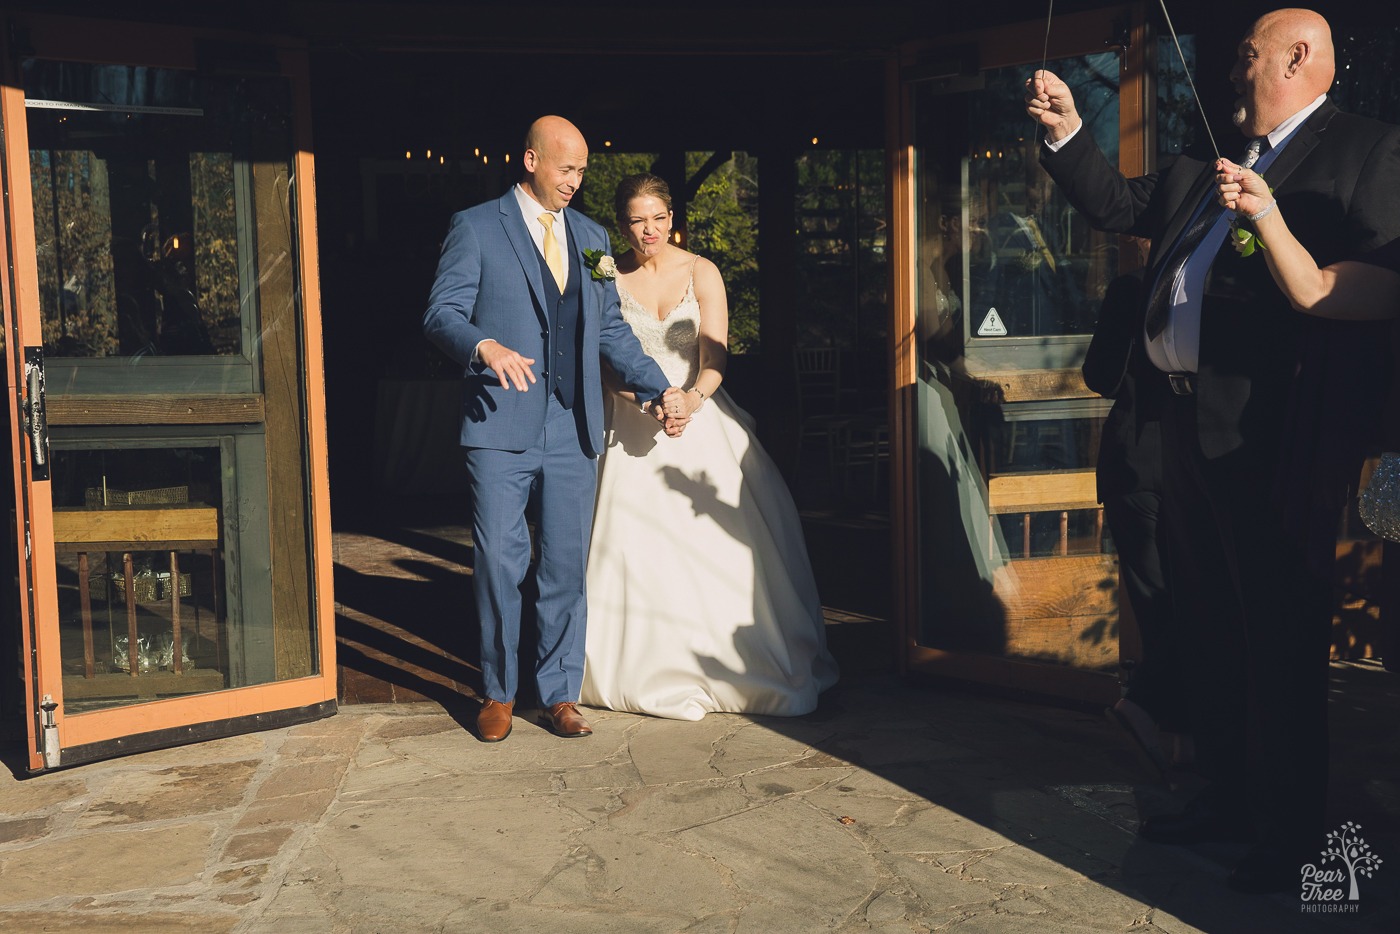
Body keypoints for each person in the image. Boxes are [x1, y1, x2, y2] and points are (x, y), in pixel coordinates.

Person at [1026, 8, 1400, 893]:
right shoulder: (1204, 160)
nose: (1234, 74)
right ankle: (1226, 798)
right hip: (1173, 433)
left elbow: (1378, 289)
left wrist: (1272, 223)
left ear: (1299, 57)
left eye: (1248, 57)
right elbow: (1120, 205)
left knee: (1279, 640)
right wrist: (1070, 129)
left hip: (1274, 441)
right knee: (1207, 629)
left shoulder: (1370, 152)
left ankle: (1292, 834)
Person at [422, 117, 683, 744]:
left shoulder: (592, 237)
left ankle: (560, 693)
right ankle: (498, 691)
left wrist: (659, 388)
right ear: (531, 160)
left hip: (574, 426)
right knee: (499, 562)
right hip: (499, 424)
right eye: (566, 169)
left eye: (583, 171)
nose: (576, 181)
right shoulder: (477, 226)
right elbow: (441, 313)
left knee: (565, 565)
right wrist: (483, 346)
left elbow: (612, 331)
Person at [580, 173, 839, 720]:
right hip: (629, 417)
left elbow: (716, 359)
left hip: (699, 412)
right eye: (635, 220)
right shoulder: (607, 275)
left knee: (713, 544)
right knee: (630, 543)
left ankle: (725, 659)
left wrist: (688, 402)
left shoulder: (703, 270)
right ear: (621, 225)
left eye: (656, 218)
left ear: (672, 218)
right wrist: (645, 401)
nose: (647, 230)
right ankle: (635, 665)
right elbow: (603, 359)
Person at [1085, 271, 1191, 778]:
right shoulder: (1203, 285)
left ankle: (1158, 718)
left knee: (1160, 603)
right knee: (1185, 602)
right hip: (1179, 461)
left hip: (1132, 458)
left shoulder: (1132, 286)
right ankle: (1175, 734)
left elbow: (1099, 376)